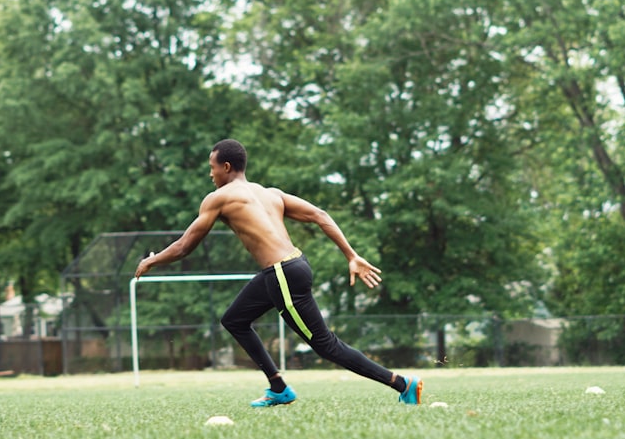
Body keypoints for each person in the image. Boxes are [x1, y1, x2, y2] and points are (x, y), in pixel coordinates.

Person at [134, 139, 423, 407]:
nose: (210, 175)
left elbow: (185, 246)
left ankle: (402, 384)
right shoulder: (270, 194)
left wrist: (151, 261)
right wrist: (351, 255)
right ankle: (278, 387)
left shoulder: (218, 198)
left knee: (325, 345)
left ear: (225, 167)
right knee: (234, 320)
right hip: (291, 266)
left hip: (282, 273)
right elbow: (320, 215)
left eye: (211, 168)